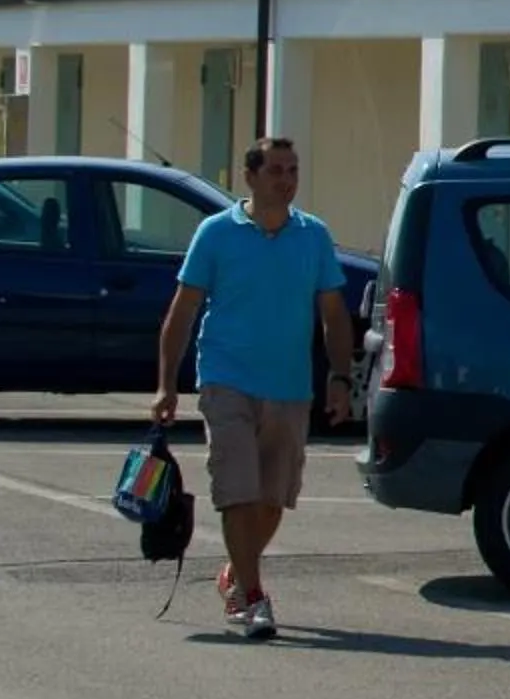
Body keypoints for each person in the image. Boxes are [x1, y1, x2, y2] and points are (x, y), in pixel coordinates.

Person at [150, 136, 356, 642]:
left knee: (271, 499)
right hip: (226, 380)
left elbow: (333, 314)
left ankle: (235, 573)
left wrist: (340, 377)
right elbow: (182, 310)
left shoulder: (313, 235)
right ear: (250, 177)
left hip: (289, 386)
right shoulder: (216, 233)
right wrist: (166, 385)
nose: (286, 180)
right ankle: (253, 596)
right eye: (276, 170)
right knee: (236, 491)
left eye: (293, 170)